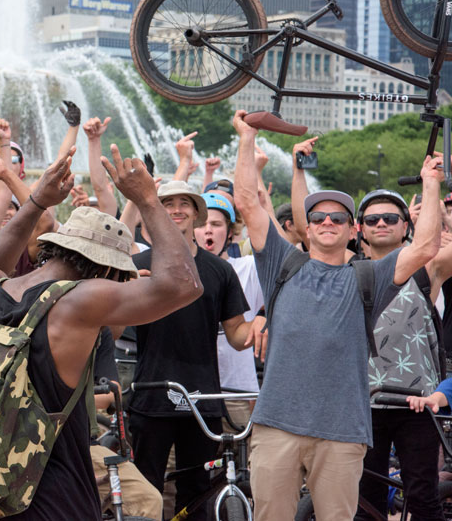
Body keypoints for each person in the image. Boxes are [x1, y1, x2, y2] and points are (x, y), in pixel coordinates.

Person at [0, 145, 204, 520]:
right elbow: (185, 284)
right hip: (49, 495)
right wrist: (148, 200)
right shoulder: (79, 300)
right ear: (104, 269)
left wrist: (36, 201)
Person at [233, 110, 443, 520]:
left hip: (343, 432)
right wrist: (245, 138)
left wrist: (432, 184)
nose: (326, 221)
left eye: (338, 218)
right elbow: (246, 202)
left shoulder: (369, 276)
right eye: (317, 217)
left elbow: (425, 248)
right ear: (305, 228)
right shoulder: (281, 262)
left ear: (353, 231)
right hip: (277, 424)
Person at [128, 181, 256, 519]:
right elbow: (110, 328)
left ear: (197, 214)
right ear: (155, 210)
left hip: (203, 402)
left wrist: (261, 326)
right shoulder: (136, 265)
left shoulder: (220, 271)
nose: (176, 209)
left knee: (198, 494)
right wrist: (127, 291)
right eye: (167, 202)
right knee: (145, 492)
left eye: (185, 203)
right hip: (150, 396)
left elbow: (238, 336)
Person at [350, 189, 445, 521]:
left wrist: (435, 200)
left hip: (416, 402)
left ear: (406, 225)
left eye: (390, 218)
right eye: (371, 219)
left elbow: (438, 244)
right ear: (359, 228)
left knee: (422, 494)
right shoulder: (346, 271)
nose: (380, 223)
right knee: (365, 499)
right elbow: (309, 229)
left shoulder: (426, 270)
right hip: (362, 402)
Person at [194, 192, 265, 432]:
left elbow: (274, 253)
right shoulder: (181, 274)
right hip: (194, 392)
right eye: (201, 224)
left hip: (238, 391)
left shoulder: (247, 269)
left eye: (216, 224)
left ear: (231, 233)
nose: (208, 231)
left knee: (241, 464)